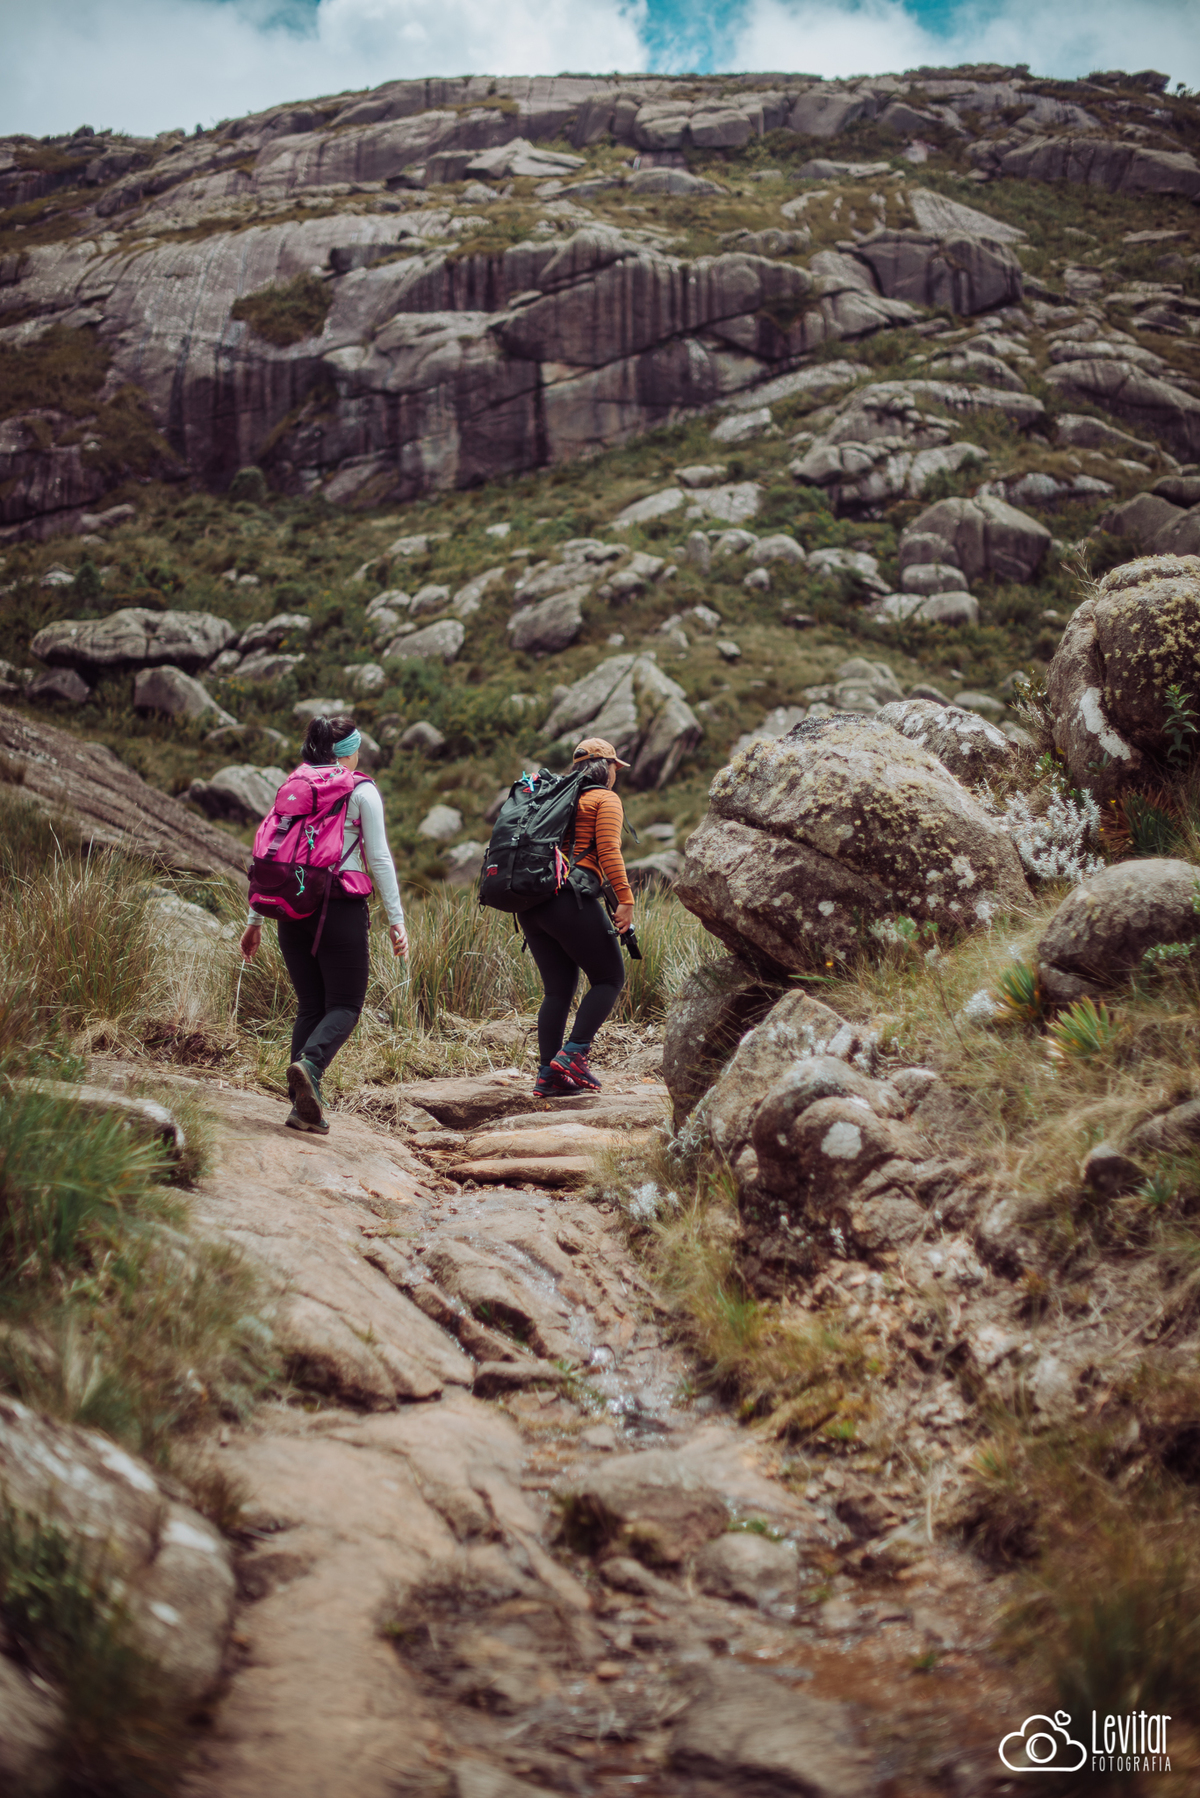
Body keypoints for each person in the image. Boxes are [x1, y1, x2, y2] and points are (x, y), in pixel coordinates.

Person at [239, 714, 408, 1135]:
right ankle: (310, 1066)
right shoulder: (360, 790)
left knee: (311, 1006)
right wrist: (396, 919)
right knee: (346, 1006)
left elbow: (270, 853)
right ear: (350, 751)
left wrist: (255, 919)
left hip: (291, 907)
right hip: (339, 907)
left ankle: (303, 1107)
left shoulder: (295, 785)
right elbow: (380, 858)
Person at [522, 736, 635, 1097]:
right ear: (608, 768)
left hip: (532, 903)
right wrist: (626, 900)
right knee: (609, 977)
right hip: (570, 897)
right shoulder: (604, 798)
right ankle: (574, 1054)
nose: (617, 774)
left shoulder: (553, 797)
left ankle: (547, 1074)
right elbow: (608, 851)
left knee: (557, 990)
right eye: (616, 767)